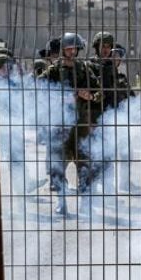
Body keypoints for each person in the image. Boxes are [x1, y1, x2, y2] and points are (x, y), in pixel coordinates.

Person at [39, 32, 102, 214]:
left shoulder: (84, 69)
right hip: (59, 126)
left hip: (81, 126)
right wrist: (59, 98)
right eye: (68, 49)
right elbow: (39, 89)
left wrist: (89, 96)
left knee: (85, 166)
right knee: (57, 166)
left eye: (74, 49)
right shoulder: (53, 71)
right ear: (62, 50)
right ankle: (61, 201)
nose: (72, 52)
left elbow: (100, 92)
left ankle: (85, 204)